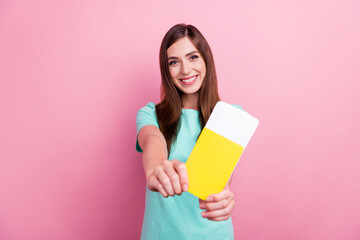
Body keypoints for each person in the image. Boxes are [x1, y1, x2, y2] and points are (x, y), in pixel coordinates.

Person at [135, 23, 244, 240]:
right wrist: (155, 170)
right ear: (166, 70)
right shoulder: (150, 114)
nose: (185, 70)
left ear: (206, 60)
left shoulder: (231, 116)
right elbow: (153, 141)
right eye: (174, 62)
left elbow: (221, 179)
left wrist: (221, 200)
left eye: (193, 57)